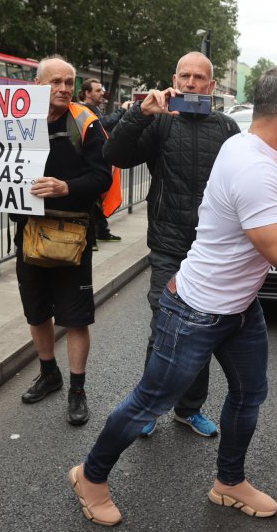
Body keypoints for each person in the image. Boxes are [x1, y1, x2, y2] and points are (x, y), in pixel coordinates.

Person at [68, 66, 277, 526]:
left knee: (249, 393)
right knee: (150, 400)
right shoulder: (252, 163)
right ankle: (90, 476)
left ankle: (229, 483)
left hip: (238, 308)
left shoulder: (247, 146)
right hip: (196, 311)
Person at [0, 57, 112, 425]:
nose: (63, 89)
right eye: (55, 82)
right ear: (37, 84)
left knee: (75, 318)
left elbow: (102, 177)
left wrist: (67, 187)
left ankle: (77, 389)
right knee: (36, 312)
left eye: (69, 82)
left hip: (72, 234)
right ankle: (49, 374)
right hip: (29, 231)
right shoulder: (12, 119)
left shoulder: (85, 123)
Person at [103, 51, 240, 438]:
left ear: (212, 87)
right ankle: (150, 407)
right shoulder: (160, 124)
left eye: (200, 78)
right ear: (174, 81)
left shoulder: (228, 128)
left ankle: (189, 409)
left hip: (212, 252)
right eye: (185, 76)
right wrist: (141, 113)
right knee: (165, 328)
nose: (192, 83)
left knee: (202, 331)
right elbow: (114, 154)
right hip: (168, 247)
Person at [78, 78, 125, 245]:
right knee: (92, 200)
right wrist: (121, 112)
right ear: (87, 93)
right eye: (98, 90)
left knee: (99, 199)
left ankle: (102, 231)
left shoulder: (95, 109)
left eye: (102, 90)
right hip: (88, 163)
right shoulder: (83, 110)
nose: (102, 93)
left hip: (99, 161)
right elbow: (102, 125)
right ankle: (90, 239)